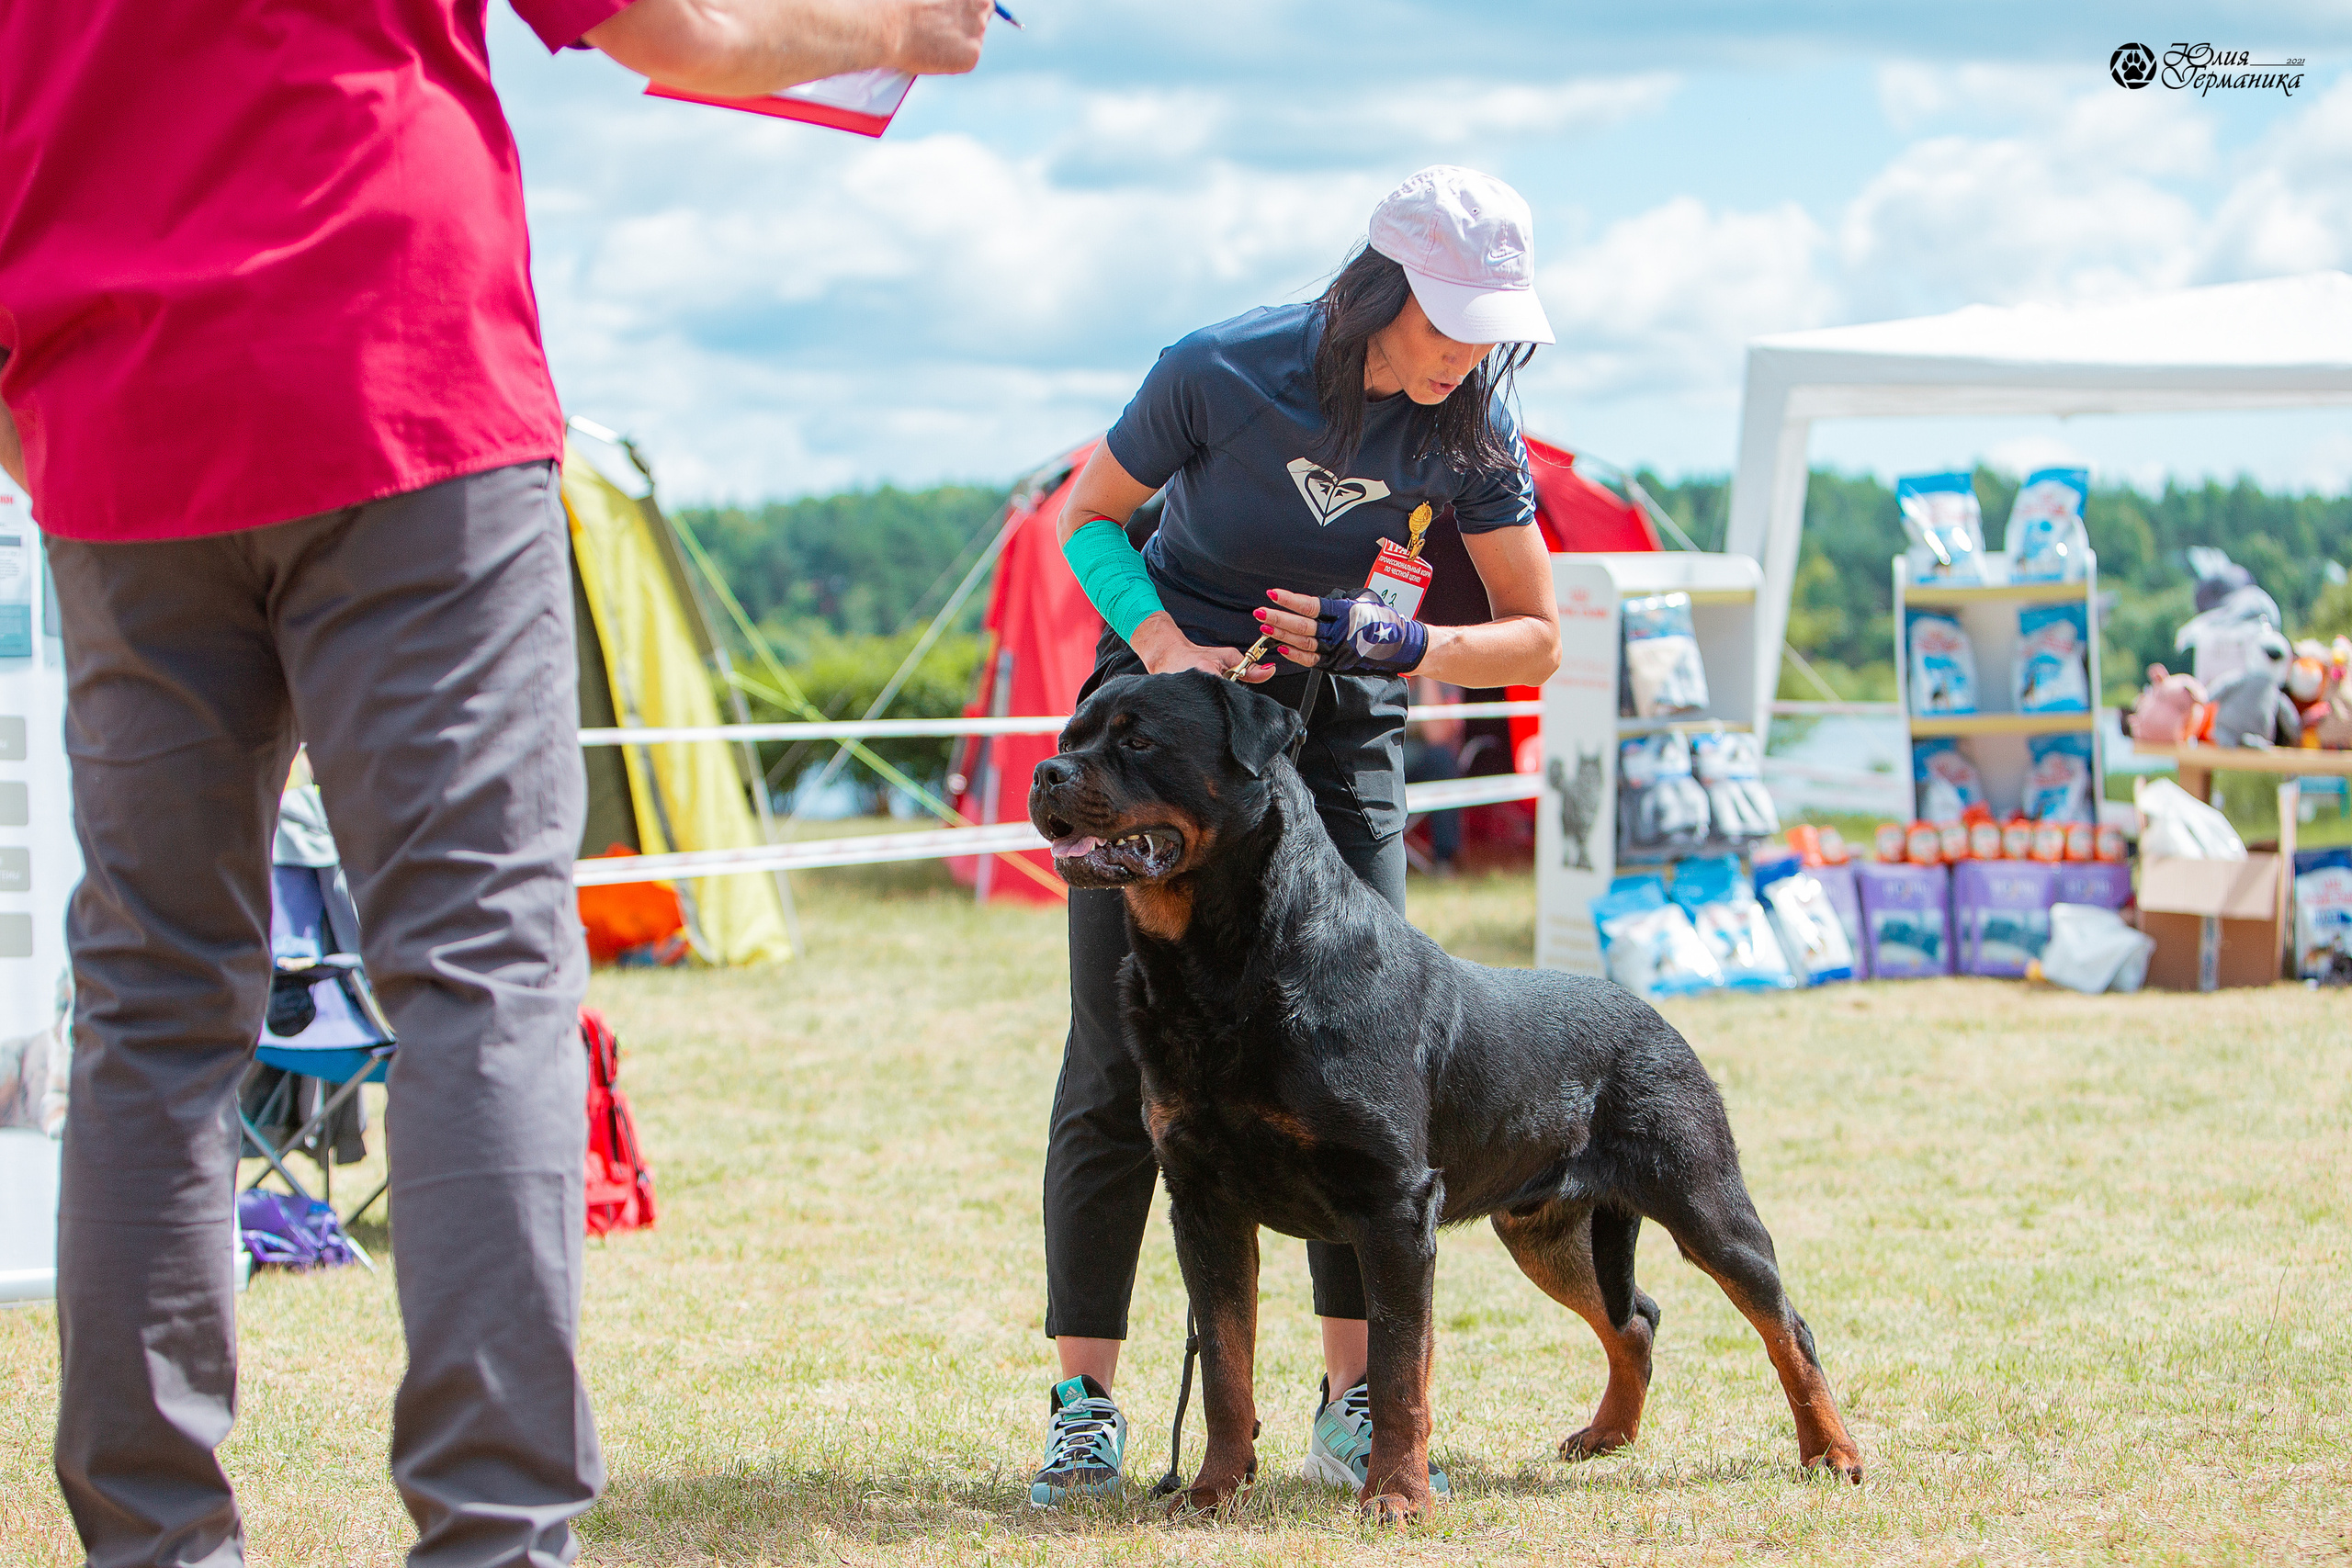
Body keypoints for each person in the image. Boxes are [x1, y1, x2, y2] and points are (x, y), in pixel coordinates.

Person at [0, 2, 991, 1563]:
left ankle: (151, 1543)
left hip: (114, 425)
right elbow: (685, 29)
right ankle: (494, 1537)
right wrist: (910, 24)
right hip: (397, 375)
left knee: (149, 1006)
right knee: (477, 976)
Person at [1034, 165, 1564, 1507]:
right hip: (1167, 722)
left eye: (1489, 328)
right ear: (1375, 288)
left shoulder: (1472, 432)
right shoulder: (1218, 367)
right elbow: (1085, 518)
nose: (1466, 353)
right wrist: (1167, 647)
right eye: (1448, 321)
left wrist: (1411, 640)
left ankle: (1353, 1402)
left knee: (1364, 1066)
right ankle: (1083, 1407)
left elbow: (1540, 637)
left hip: (1342, 733)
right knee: (1114, 1051)